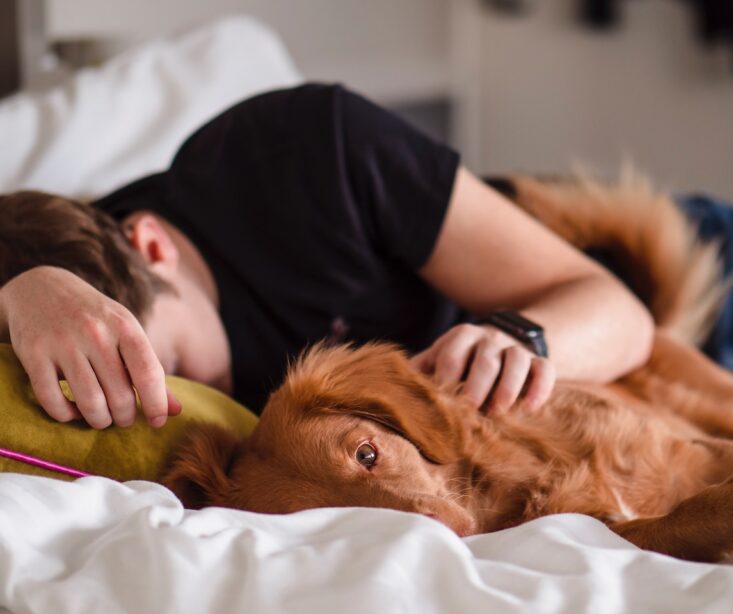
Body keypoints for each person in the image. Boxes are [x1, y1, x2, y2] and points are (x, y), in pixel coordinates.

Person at [0, 83, 654, 430]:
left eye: (169, 365)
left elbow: (620, 311)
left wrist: (519, 340)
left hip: (621, 242)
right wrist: (20, 289)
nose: (181, 404)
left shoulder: (310, 149)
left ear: (152, 246)